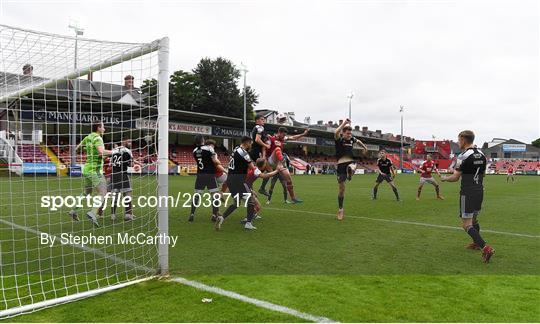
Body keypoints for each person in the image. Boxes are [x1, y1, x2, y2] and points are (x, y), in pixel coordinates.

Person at [441, 130, 494, 263]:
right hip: (479, 190)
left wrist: (445, 178)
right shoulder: (482, 154)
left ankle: (485, 247)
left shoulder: (463, 156)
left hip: (468, 192)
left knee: (466, 225)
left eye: (459, 140)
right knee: (474, 220)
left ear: (464, 139)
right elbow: (484, 174)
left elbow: (455, 177)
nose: (458, 142)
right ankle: (476, 244)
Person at [69, 122, 113, 227]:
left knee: (87, 192)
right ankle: (93, 213)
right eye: (103, 127)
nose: (104, 129)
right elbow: (101, 152)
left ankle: (73, 211)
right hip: (95, 170)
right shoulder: (98, 138)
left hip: (87, 169)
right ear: (98, 128)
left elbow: (77, 148)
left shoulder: (88, 137)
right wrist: (115, 151)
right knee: (103, 193)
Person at [216, 136, 258, 230]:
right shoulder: (244, 153)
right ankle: (248, 223)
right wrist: (260, 172)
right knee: (251, 201)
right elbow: (252, 167)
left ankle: (222, 218)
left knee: (237, 202)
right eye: (250, 143)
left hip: (230, 180)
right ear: (247, 142)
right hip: (238, 180)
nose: (251, 145)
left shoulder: (236, 149)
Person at [262, 127, 308, 204]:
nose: (284, 137)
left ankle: (293, 198)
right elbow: (264, 147)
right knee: (277, 149)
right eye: (283, 135)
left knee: (289, 180)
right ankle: (283, 161)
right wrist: (263, 157)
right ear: (279, 132)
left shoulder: (283, 139)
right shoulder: (271, 138)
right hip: (271, 160)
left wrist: (303, 134)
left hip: (278, 163)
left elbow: (293, 137)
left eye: (285, 135)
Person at [334, 118, 368, 220]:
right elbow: (336, 132)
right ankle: (340, 209)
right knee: (341, 190)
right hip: (340, 166)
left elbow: (359, 141)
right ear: (343, 133)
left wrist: (365, 147)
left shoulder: (352, 139)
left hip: (350, 162)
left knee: (353, 164)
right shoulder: (339, 140)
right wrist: (344, 123)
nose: (349, 135)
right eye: (348, 133)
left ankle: (351, 171)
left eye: (350, 133)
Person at [188, 135, 226, 222]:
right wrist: (221, 164)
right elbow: (215, 161)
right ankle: (214, 215)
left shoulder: (194, 151)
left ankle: (192, 214)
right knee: (215, 195)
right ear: (202, 140)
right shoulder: (209, 148)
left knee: (197, 195)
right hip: (210, 175)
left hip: (200, 175)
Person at [109, 137, 139, 221]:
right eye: (128, 141)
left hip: (114, 175)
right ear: (123, 141)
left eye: (130, 141)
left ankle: (113, 215)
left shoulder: (114, 150)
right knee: (127, 194)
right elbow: (131, 164)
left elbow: (111, 162)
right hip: (122, 175)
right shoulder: (127, 151)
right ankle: (128, 214)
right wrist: (135, 165)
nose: (130, 143)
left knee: (115, 196)